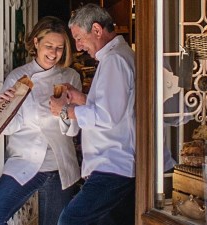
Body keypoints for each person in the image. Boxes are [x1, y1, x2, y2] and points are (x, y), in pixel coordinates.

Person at [0, 16, 82, 225]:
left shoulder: (70, 77)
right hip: (25, 161)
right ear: (36, 43)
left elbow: (73, 131)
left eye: (60, 48)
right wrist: (4, 108)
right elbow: (9, 129)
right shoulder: (18, 77)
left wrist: (63, 110)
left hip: (58, 166)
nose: (54, 53)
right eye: (49, 46)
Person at [50, 4, 136, 225]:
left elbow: (107, 117)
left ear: (97, 30)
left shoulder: (114, 60)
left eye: (79, 38)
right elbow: (118, 110)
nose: (78, 47)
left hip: (112, 165)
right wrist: (82, 99)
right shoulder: (117, 56)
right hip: (115, 165)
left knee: (69, 221)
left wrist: (66, 111)